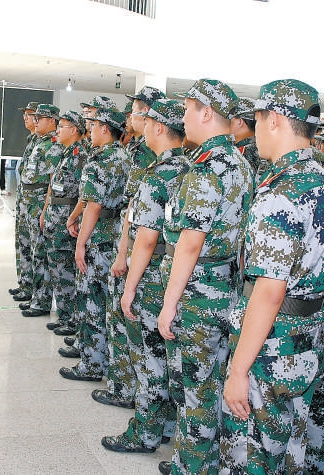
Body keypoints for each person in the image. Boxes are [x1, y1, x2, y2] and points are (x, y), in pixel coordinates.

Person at [219, 79, 324, 474]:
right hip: (309, 336)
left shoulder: (282, 192)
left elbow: (269, 292)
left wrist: (239, 371)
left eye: (257, 120)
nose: (255, 128)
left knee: (250, 454)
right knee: (292, 446)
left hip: (272, 347)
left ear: (275, 120)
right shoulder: (318, 178)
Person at [157, 78, 253, 474]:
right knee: (211, 381)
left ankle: (192, 465)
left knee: (194, 385)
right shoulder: (242, 164)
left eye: (186, 110)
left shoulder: (206, 169)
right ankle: (206, 460)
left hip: (197, 293)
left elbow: (190, 244)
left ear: (206, 112)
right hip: (225, 288)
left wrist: (168, 303)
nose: (183, 118)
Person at [102, 99, 187, 454]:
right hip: (177, 278)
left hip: (151, 278)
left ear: (158, 127)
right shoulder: (190, 169)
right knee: (166, 357)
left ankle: (146, 433)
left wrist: (129, 289)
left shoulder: (160, 174)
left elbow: (146, 237)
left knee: (149, 358)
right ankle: (165, 425)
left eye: (147, 120)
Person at [96, 86, 163, 411]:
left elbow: (141, 214)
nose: (130, 117)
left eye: (136, 111)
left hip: (141, 253)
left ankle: (125, 389)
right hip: (130, 242)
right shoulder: (137, 148)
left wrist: (123, 253)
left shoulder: (153, 155)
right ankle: (124, 384)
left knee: (129, 324)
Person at [59, 106, 129, 382]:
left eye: (95, 125)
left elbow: (94, 206)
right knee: (106, 304)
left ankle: (91, 364)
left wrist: (80, 245)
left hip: (98, 238)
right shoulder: (123, 157)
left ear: (105, 129)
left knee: (91, 302)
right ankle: (104, 360)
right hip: (114, 237)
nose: (90, 129)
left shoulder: (99, 161)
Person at [39, 111, 88, 363]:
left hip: (67, 217)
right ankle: (66, 316)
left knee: (66, 270)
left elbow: (84, 194)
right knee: (58, 268)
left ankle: (71, 318)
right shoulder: (66, 153)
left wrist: (74, 217)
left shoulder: (81, 156)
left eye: (64, 126)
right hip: (56, 214)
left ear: (76, 130)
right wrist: (46, 211)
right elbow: (54, 185)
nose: (58, 130)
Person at [17, 104, 64, 317]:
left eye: (41, 118)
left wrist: (44, 209)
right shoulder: (40, 142)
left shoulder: (54, 145)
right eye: (35, 118)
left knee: (40, 253)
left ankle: (41, 301)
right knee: (30, 248)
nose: (36, 121)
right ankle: (33, 292)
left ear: (52, 121)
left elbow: (53, 182)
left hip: (38, 202)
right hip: (28, 201)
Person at [9, 102, 39, 299]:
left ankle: (34, 290)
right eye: (25, 115)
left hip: (35, 205)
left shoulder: (47, 143)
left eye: (29, 115)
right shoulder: (32, 140)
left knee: (34, 249)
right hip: (24, 201)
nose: (25, 118)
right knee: (23, 244)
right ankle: (25, 284)